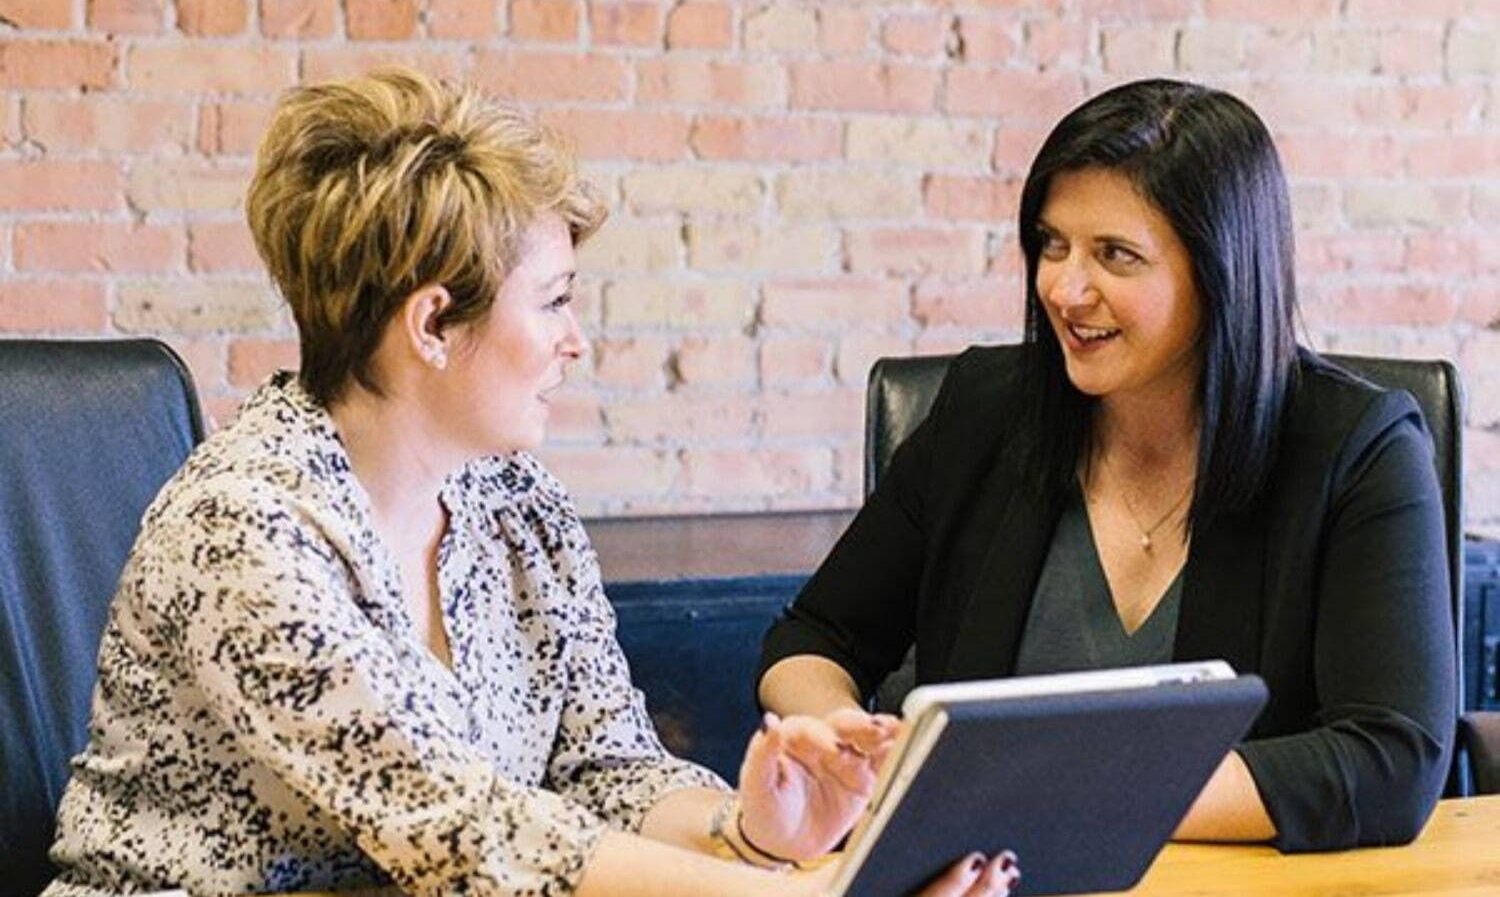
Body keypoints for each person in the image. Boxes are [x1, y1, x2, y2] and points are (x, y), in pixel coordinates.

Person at [45, 69, 1018, 897]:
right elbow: (462, 831)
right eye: (553, 300)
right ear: (431, 324)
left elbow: (607, 772)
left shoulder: (517, 505)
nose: (576, 340)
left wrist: (758, 834)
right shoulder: (243, 532)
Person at [758, 78, 1457, 853]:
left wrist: (1049, 794)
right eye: (1052, 244)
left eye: (1115, 255)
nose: (1064, 287)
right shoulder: (985, 411)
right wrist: (838, 739)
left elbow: (1392, 757)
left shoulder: (1359, 448)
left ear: (1221, 271)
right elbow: (813, 637)